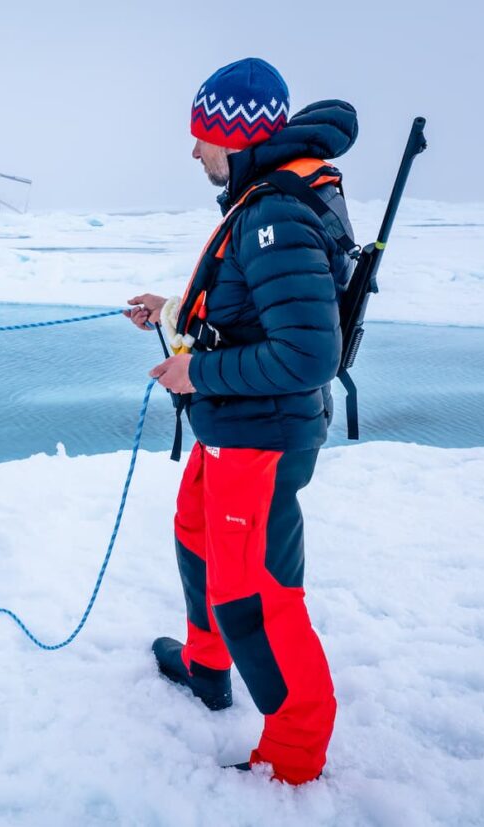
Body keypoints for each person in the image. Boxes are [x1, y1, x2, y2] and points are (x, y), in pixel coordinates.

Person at [126, 57, 358, 784]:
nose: (193, 150)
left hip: (259, 437)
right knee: (194, 530)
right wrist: (171, 310)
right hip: (234, 429)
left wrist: (197, 370)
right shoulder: (264, 198)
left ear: (232, 133)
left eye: (200, 135)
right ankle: (206, 664)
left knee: (256, 594)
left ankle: (293, 760)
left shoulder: (274, 214)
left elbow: (308, 354)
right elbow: (250, 311)